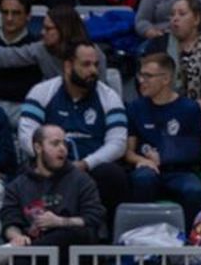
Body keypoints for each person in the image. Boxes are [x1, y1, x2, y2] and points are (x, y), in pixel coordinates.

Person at [17, 40, 131, 226]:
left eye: (95, 64)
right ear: (68, 66)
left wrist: (86, 163)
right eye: (86, 65)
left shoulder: (109, 96)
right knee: (26, 174)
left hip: (90, 168)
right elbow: (26, 136)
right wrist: (53, 162)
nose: (93, 71)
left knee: (114, 175)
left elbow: (118, 143)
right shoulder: (42, 91)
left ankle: (109, 242)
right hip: (49, 166)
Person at [125, 52, 201, 223]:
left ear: (166, 79)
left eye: (148, 76)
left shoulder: (190, 109)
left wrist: (164, 156)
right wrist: (143, 160)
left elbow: (196, 152)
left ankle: (190, 245)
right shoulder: (135, 107)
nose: (142, 81)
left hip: (181, 171)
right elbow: (128, 152)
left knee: (193, 190)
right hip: (148, 169)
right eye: (141, 75)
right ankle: (142, 239)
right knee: (143, 179)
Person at [2, 124, 107, 250]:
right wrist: (17, 237)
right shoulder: (17, 185)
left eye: (64, 143)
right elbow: (10, 221)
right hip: (33, 250)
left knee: (70, 234)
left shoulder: (82, 180)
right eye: (55, 144)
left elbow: (94, 218)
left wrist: (60, 221)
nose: (62, 149)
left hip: (72, 252)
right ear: (38, 147)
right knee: (19, 261)